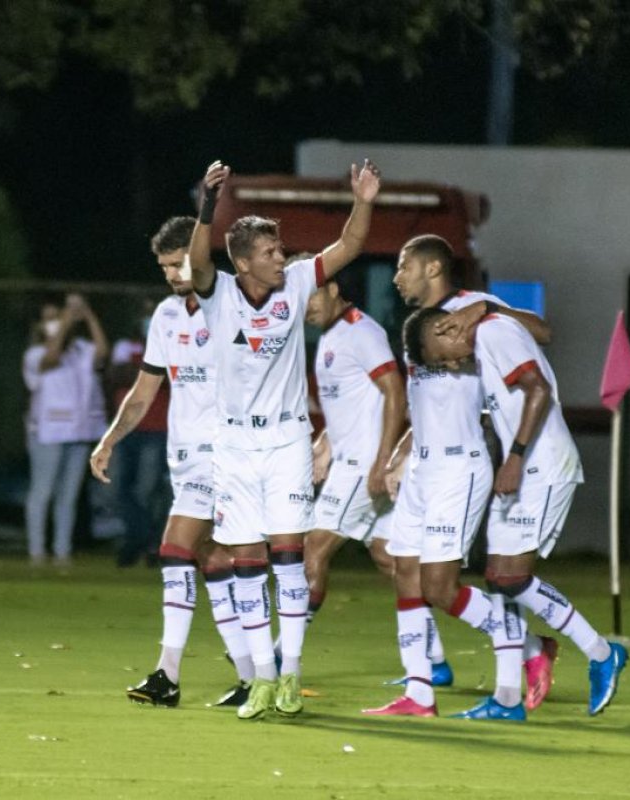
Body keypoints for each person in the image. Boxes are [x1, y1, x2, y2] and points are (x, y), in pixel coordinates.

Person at [186, 158, 380, 720]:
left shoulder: (297, 284)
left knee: (288, 558)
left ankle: (290, 674)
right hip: (234, 446)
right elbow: (198, 260)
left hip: (288, 442)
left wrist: (363, 199)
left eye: (281, 250)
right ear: (243, 260)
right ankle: (262, 680)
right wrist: (207, 204)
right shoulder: (218, 290)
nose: (282, 257)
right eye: (271, 252)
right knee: (245, 558)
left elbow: (349, 243)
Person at [364, 233, 553, 720]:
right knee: (402, 569)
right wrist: (401, 453)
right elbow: (423, 402)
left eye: (404, 266)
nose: (397, 276)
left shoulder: (475, 309)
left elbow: (542, 331)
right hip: (424, 466)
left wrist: (488, 312)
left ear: (431, 268)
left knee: (440, 586)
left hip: (460, 466)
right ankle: (419, 694)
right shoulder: (418, 329)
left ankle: (530, 645)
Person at [409, 304, 628, 717]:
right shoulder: (487, 333)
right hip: (524, 469)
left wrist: (514, 456)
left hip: (543, 466)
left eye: (445, 356)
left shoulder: (493, 334)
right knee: (498, 579)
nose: (455, 365)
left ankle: (601, 652)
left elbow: (539, 389)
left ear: (446, 327)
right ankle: (508, 698)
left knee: (510, 577)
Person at [91, 216, 254, 709]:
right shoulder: (165, 316)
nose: (171, 274)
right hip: (185, 458)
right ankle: (253, 674)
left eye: (178, 263)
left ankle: (167, 675)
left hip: (228, 454)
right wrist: (110, 439)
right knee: (211, 560)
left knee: (175, 548)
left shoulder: (236, 301)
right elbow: (144, 393)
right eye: (163, 267)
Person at [300, 266, 457, 682]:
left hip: (364, 467)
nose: (305, 306)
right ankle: (436, 661)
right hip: (361, 463)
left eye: (311, 295)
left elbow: (395, 391)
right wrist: (325, 444)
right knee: (389, 558)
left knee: (312, 550)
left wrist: (382, 459)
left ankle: (283, 656)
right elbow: (355, 406)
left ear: (333, 288)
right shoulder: (333, 336)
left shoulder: (360, 332)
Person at [22, 294, 108, 565]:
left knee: (68, 496)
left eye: (56, 317)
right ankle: (36, 551)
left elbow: (102, 354)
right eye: (48, 319)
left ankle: (62, 551)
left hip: (78, 431)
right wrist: (64, 323)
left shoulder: (81, 349)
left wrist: (88, 316)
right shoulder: (34, 354)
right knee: (42, 492)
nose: (55, 323)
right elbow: (50, 358)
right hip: (46, 433)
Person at [105, 299, 172, 567]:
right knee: (117, 490)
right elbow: (115, 376)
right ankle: (143, 537)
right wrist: (150, 373)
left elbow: (166, 377)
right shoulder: (125, 345)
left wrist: (143, 373)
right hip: (127, 427)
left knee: (147, 490)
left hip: (157, 427)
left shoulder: (170, 342)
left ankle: (145, 542)